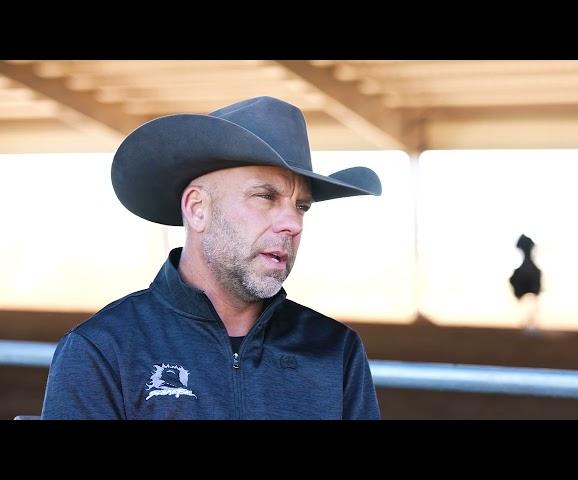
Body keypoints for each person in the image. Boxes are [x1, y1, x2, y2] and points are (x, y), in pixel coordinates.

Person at [41, 96, 382, 419]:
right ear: (197, 208)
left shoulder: (336, 351)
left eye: (301, 207)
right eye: (265, 196)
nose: (293, 223)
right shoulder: (103, 350)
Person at [509, 233, 542, 333]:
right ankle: (530, 323)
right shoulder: (532, 268)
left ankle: (531, 323)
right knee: (532, 302)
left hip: (528, 270)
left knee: (532, 303)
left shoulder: (529, 268)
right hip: (528, 270)